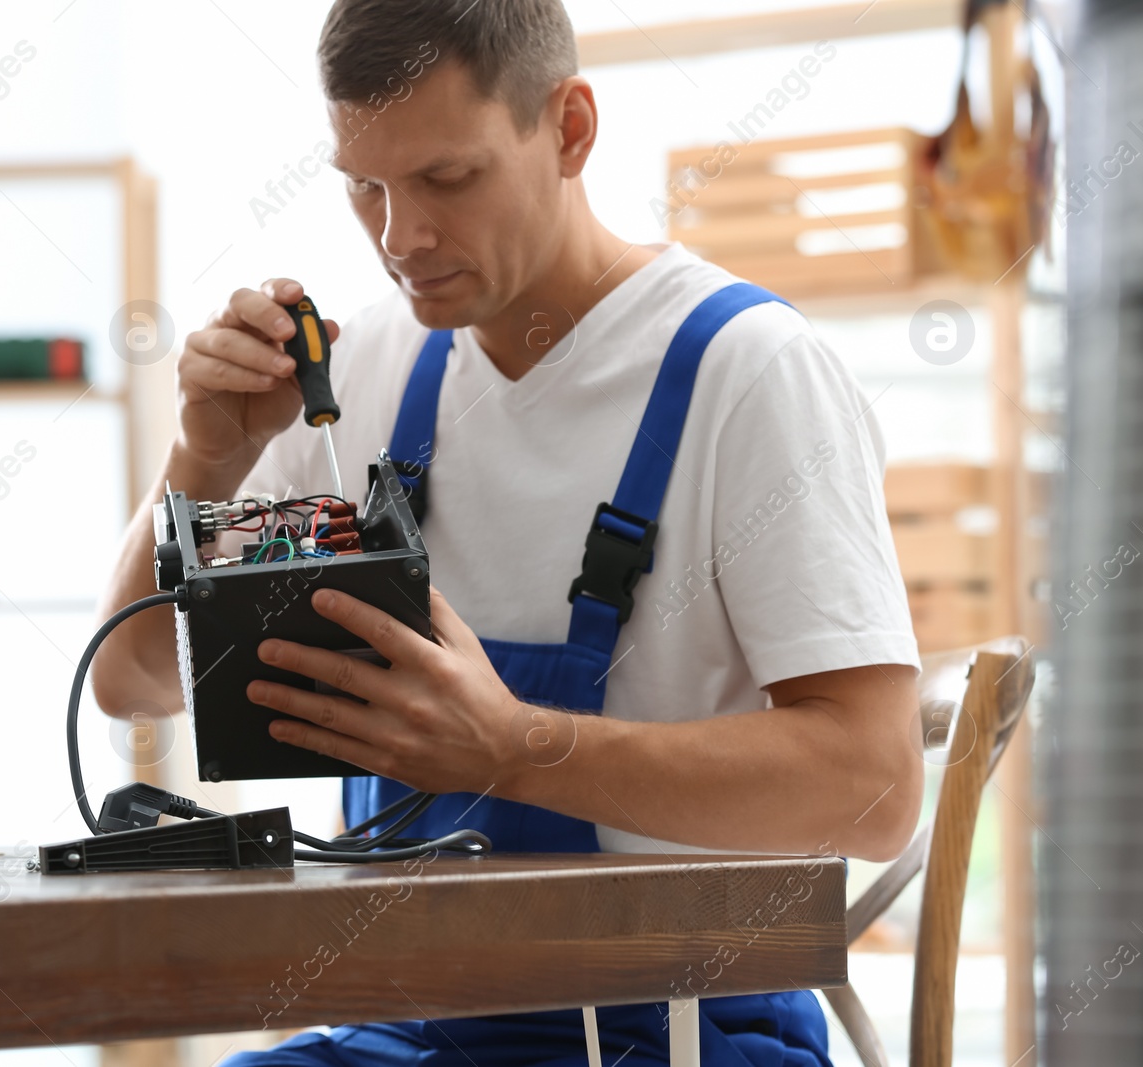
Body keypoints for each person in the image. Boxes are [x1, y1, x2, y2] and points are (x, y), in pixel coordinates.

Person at [89, 0, 922, 1062]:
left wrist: (515, 746)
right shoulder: (358, 380)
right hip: (405, 1022)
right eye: (366, 186)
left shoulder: (747, 372)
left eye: (447, 178)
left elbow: (876, 785)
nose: (401, 238)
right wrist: (204, 458)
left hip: (685, 1029)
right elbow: (131, 678)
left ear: (569, 129)